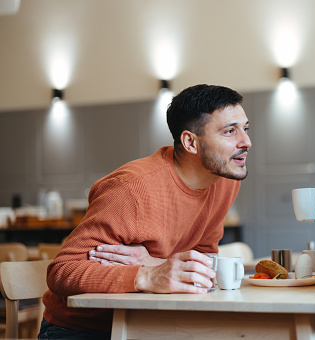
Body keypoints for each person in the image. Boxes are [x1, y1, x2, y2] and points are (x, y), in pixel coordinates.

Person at [39, 84, 252, 339]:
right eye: (230, 131)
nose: (246, 142)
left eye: (245, 129)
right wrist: (147, 276)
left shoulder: (224, 180)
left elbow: (202, 258)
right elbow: (61, 272)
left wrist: (157, 264)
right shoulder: (132, 188)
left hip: (155, 320)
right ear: (190, 142)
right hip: (84, 329)